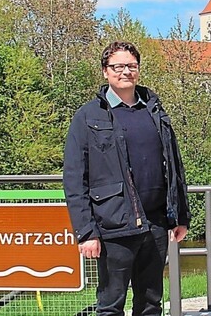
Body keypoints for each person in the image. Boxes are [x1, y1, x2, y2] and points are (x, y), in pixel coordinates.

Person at [63, 41, 191, 315]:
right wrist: (86, 232)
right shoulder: (88, 116)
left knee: (150, 303)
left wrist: (180, 215)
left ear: (138, 70)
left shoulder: (154, 111)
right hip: (113, 227)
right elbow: (75, 179)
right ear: (105, 72)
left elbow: (174, 166)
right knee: (110, 305)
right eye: (118, 66)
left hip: (155, 224)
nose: (125, 72)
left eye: (131, 66)